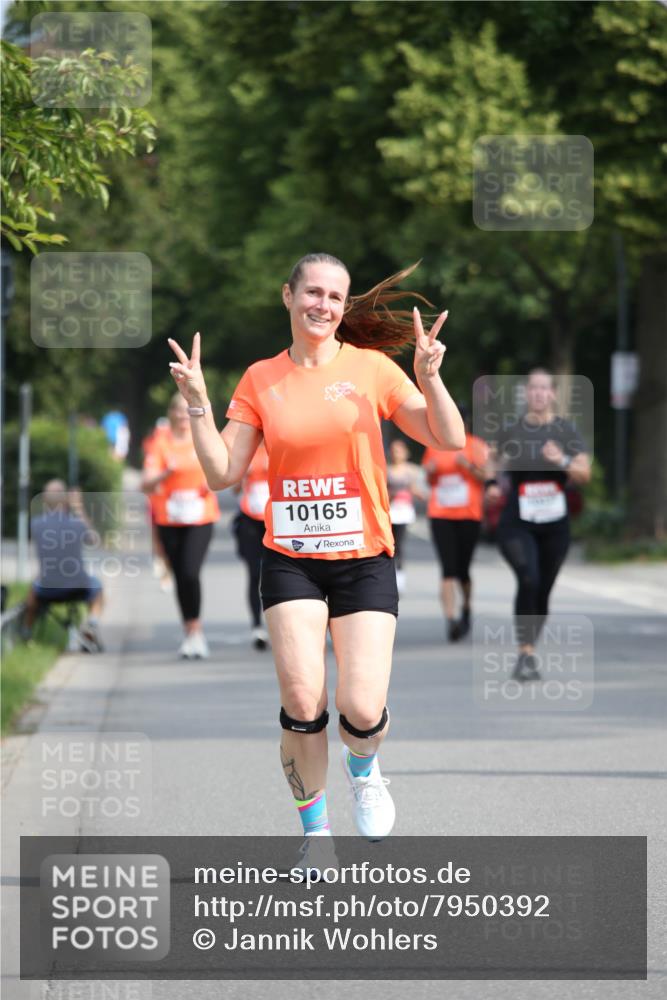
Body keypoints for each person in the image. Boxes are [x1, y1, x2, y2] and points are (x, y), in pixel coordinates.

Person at [167, 253, 464, 849]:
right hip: (292, 558)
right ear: (288, 296)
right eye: (313, 293)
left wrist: (429, 377)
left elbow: (448, 439)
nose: (323, 305)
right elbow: (223, 472)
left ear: (342, 305)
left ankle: (364, 768)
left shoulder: (373, 369)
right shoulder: (260, 378)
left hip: (364, 557)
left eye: (335, 296)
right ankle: (317, 833)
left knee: (360, 706)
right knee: (303, 700)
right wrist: (198, 399)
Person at [485, 368, 591, 681]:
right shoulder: (512, 429)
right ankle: (525, 653)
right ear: (526, 394)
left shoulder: (566, 432)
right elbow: (490, 457)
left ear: (553, 394)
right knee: (528, 578)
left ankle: (530, 646)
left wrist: (562, 460)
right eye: (533, 388)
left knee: (543, 588)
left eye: (545, 388)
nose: (539, 394)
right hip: (517, 520)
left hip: (555, 523)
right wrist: (491, 483)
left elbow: (585, 474)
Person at [141, 394, 220, 659]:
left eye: (188, 411)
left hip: (200, 516)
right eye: (178, 410)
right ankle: (190, 632)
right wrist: (167, 473)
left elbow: (221, 472)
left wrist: (209, 483)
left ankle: (196, 631)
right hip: (169, 518)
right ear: (172, 413)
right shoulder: (160, 443)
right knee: (179, 575)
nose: (183, 416)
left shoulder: (204, 437)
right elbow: (146, 483)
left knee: (190, 571)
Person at [422, 406, 488, 641]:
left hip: (469, 514)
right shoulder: (434, 445)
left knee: (463, 570)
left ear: (465, 423)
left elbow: (487, 476)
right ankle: (451, 620)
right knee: (448, 569)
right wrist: (429, 473)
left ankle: (466, 607)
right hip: (440, 514)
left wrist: (467, 466)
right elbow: (428, 479)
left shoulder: (475, 445)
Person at [23, 480, 104, 651]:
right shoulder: (77, 524)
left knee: (33, 589)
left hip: (47, 588)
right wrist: (78, 507)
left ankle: (26, 633)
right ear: (66, 499)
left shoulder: (36, 524)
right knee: (98, 588)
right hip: (78, 586)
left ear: (44, 500)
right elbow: (94, 540)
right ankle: (92, 624)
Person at [232, 440, 271, 649]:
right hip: (250, 518)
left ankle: (278, 625)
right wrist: (244, 473)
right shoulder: (247, 450)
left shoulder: (279, 445)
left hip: (277, 520)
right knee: (254, 573)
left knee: (276, 573)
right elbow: (234, 490)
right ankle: (257, 626)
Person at [386, 438, 425, 594]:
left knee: (399, 545)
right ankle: (388, 578)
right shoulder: (386, 470)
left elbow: (417, 490)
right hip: (389, 511)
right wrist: (391, 495)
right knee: (389, 546)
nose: (396, 454)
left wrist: (419, 494)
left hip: (403, 512)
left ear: (405, 453)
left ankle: (399, 580)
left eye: (399, 450)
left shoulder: (411, 471)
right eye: (394, 450)